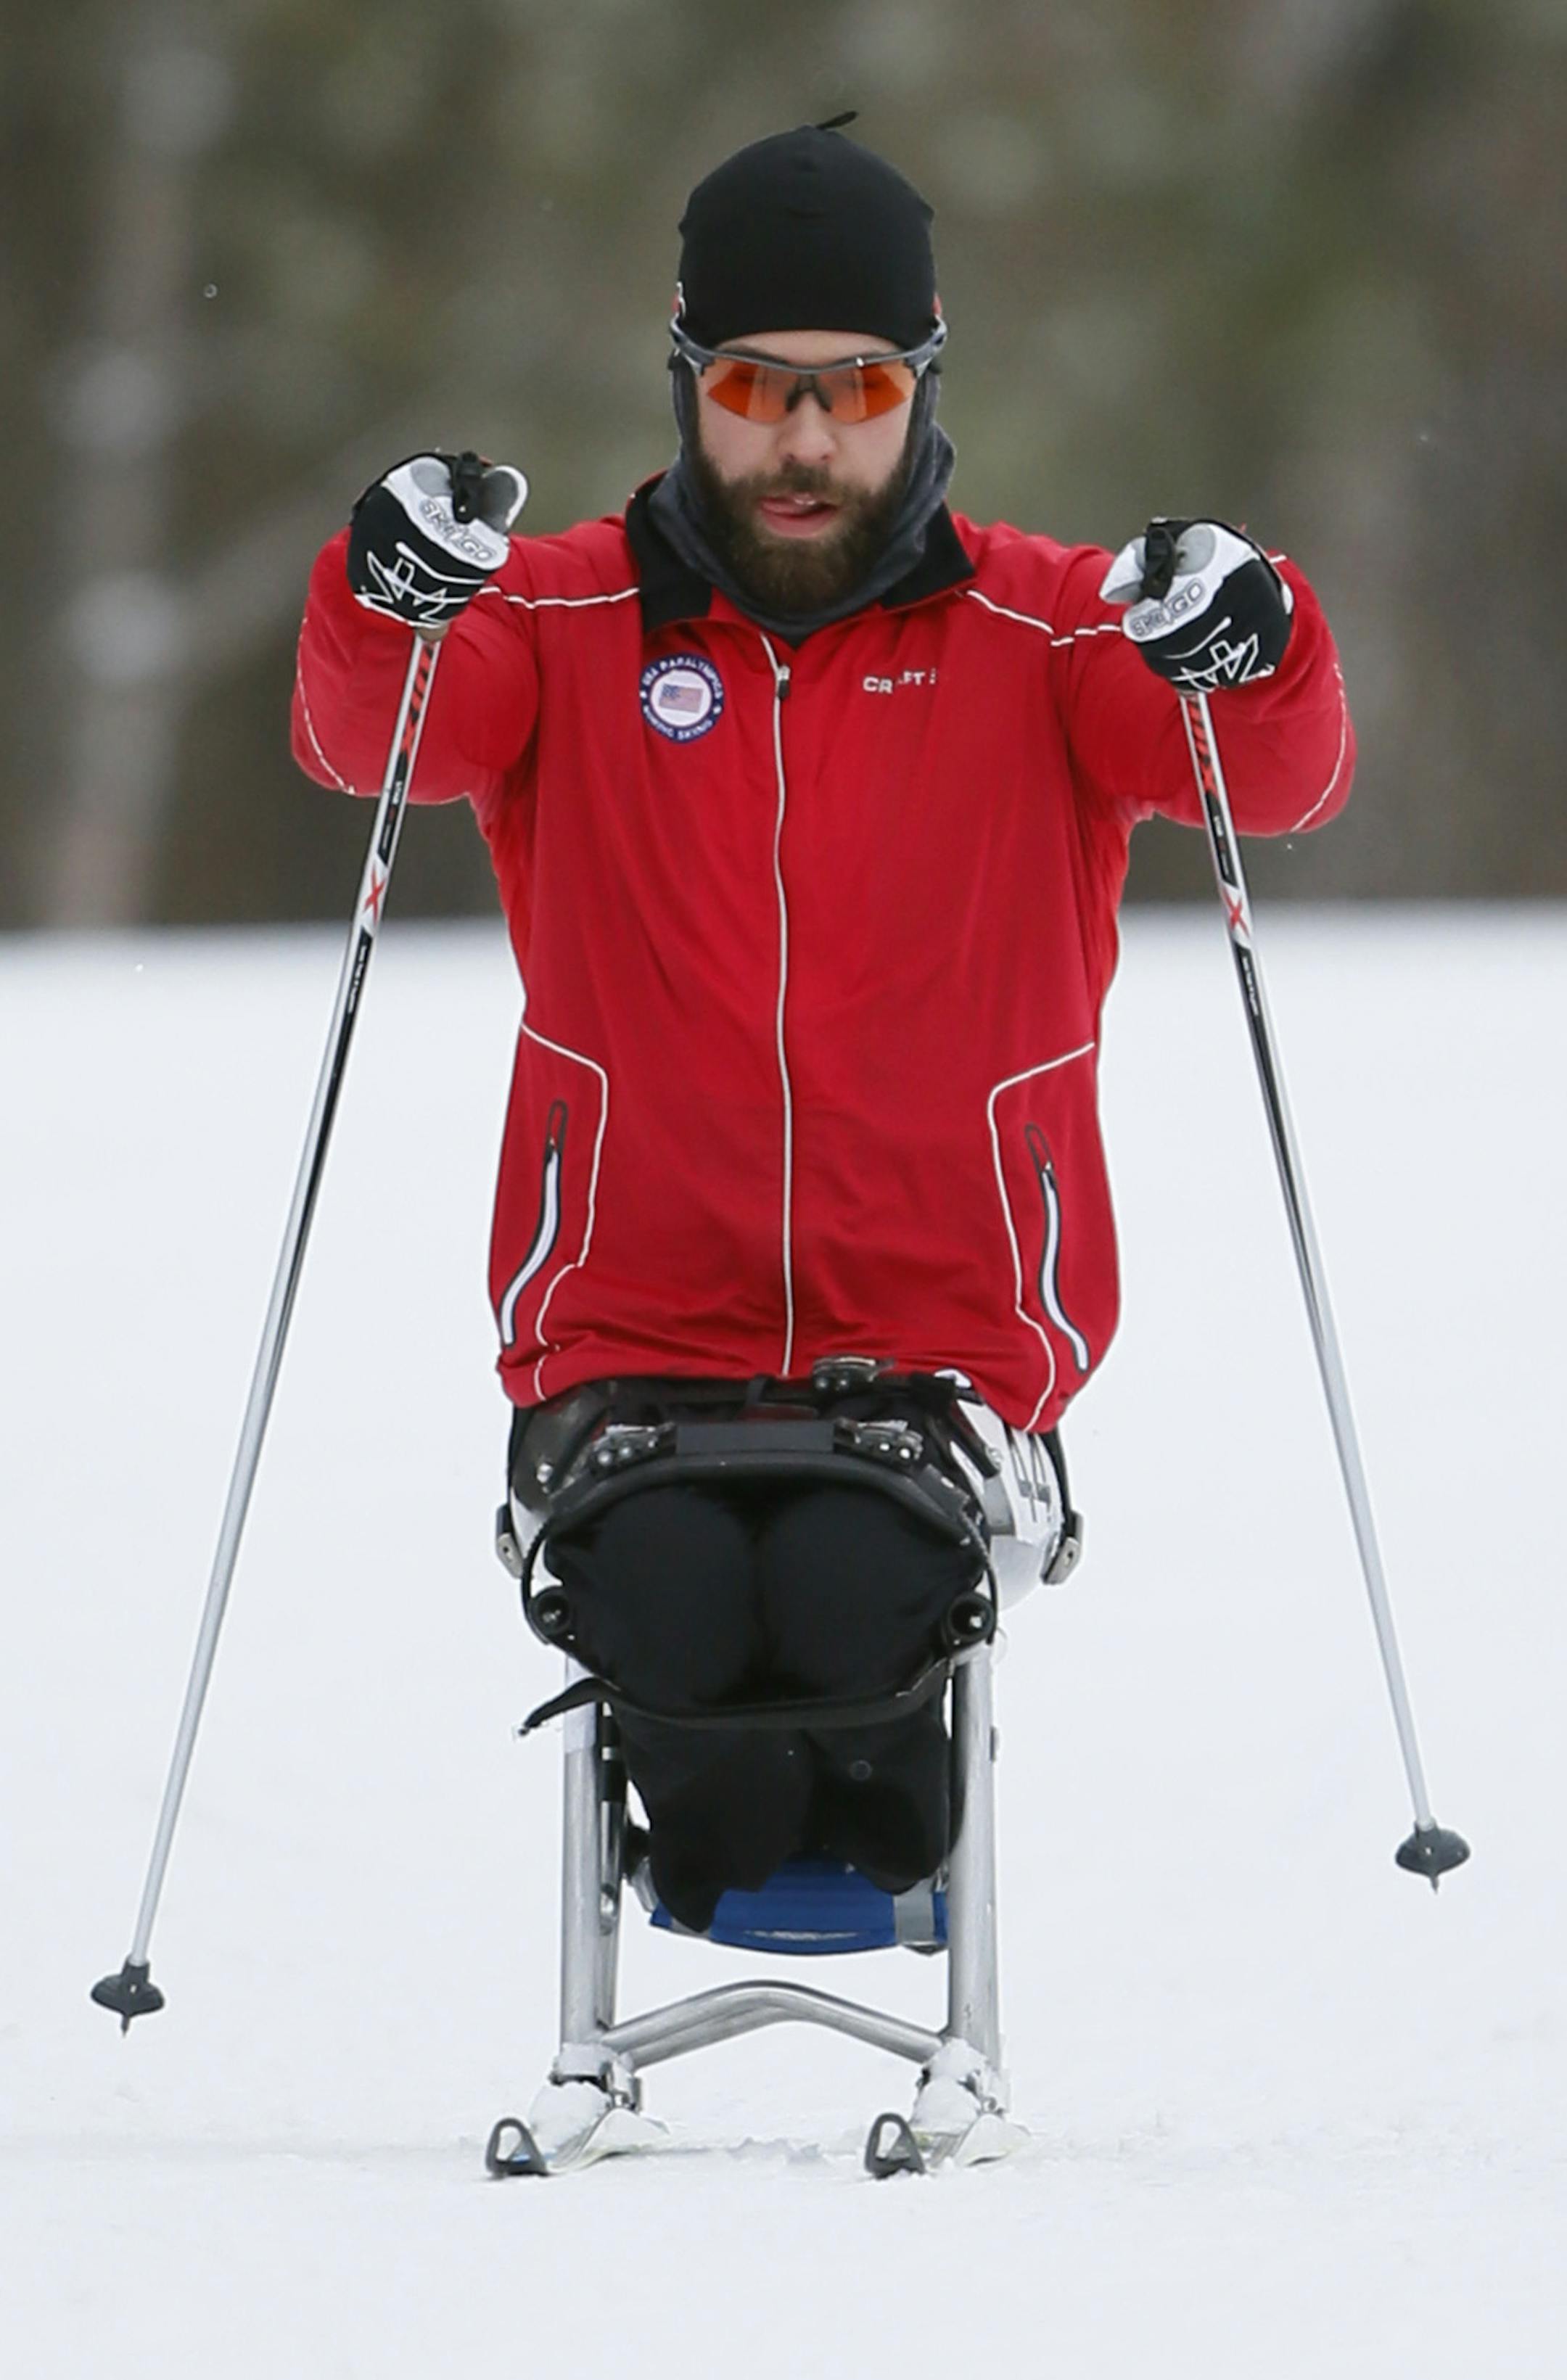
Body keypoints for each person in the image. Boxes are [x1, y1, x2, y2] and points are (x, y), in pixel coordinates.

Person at [292, 121, 1354, 1932]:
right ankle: (718, 1836)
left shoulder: (1044, 628)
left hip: (946, 1332)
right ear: (687, 385)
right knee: (682, 1602)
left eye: (851, 388)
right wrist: (383, 587)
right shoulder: (560, 616)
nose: (801, 441)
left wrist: (1248, 638)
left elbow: (1276, 771)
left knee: (863, 1593)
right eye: (752, 387)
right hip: (625, 1329)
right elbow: (383, 731)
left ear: (920, 387)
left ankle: (873, 1832)